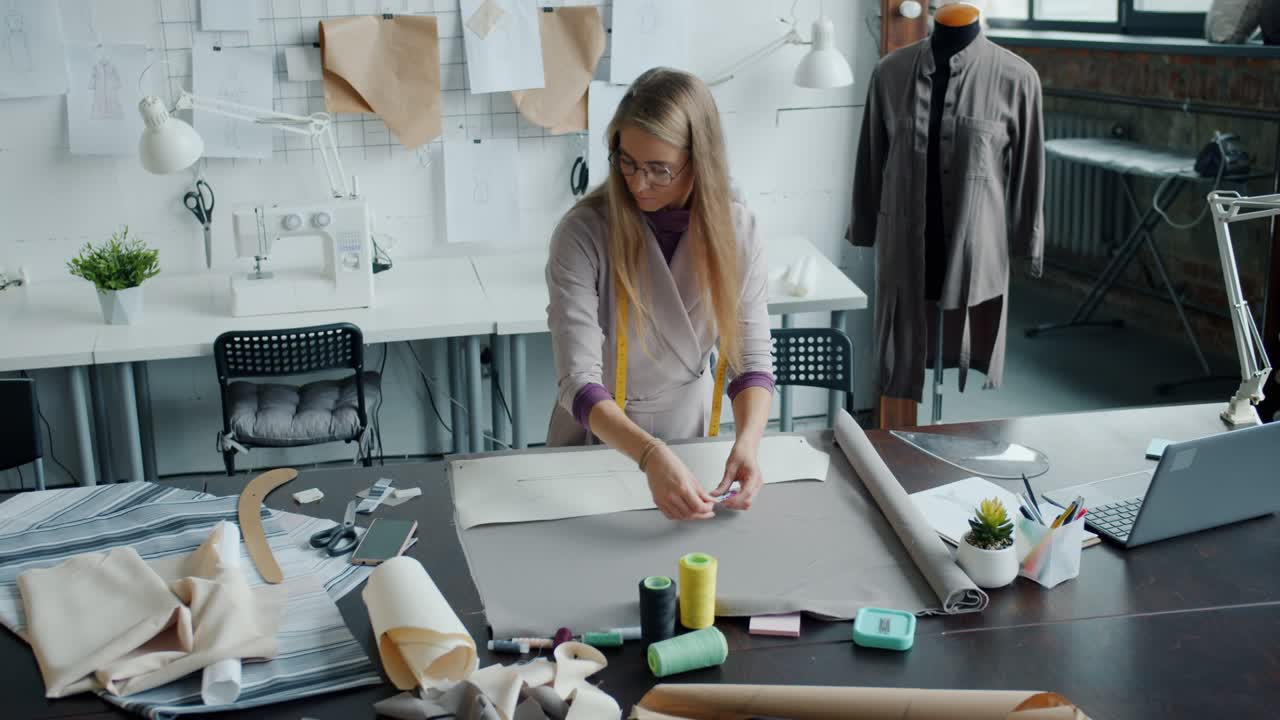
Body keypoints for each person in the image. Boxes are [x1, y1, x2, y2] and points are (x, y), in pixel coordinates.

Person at [545, 68, 775, 521]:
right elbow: (577, 378)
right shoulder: (583, 231)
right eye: (626, 162)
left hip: (691, 435)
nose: (637, 184)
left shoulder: (738, 232)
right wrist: (649, 455)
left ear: (700, 161)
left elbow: (751, 359)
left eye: (659, 169)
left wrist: (747, 442)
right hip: (598, 433)